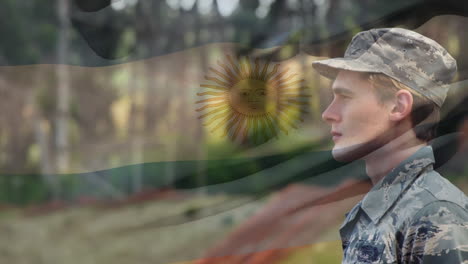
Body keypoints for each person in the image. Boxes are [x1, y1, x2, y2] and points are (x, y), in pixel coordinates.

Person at [312, 28, 468, 263]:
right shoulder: (380, 208)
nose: (328, 114)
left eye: (345, 97)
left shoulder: (435, 215)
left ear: (398, 106)